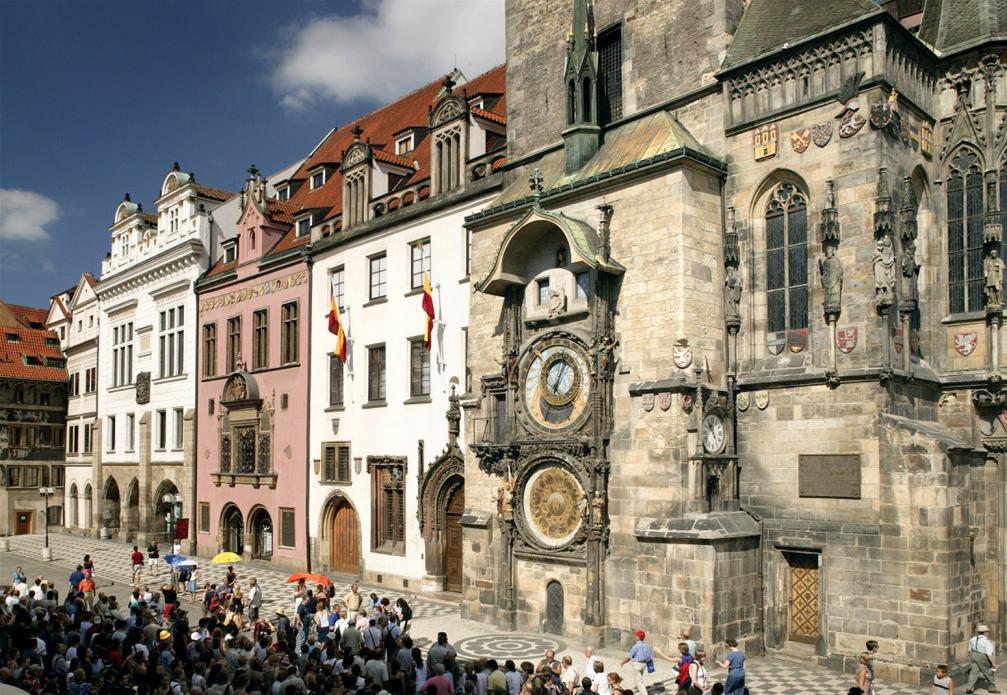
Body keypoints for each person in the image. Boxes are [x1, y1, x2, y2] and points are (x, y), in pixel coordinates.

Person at [966, 624, 998, 694]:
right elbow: (989, 654)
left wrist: (971, 658)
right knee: (989, 672)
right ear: (985, 632)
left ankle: (969, 688)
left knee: (973, 673)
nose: (989, 633)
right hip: (982, 656)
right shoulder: (986, 642)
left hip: (973, 655)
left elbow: (969, 650)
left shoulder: (972, 639)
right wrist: (993, 663)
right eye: (988, 631)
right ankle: (992, 688)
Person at [620, 630, 652, 695]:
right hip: (644, 664)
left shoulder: (635, 646)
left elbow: (629, 657)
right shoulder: (647, 646)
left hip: (637, 664)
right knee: (638, 677)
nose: (635, 637)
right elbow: (649, 657)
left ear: (638, 637)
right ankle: (635, 687)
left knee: (639, 681)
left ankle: (644, 693)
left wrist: (623, 662)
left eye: (636, 636)